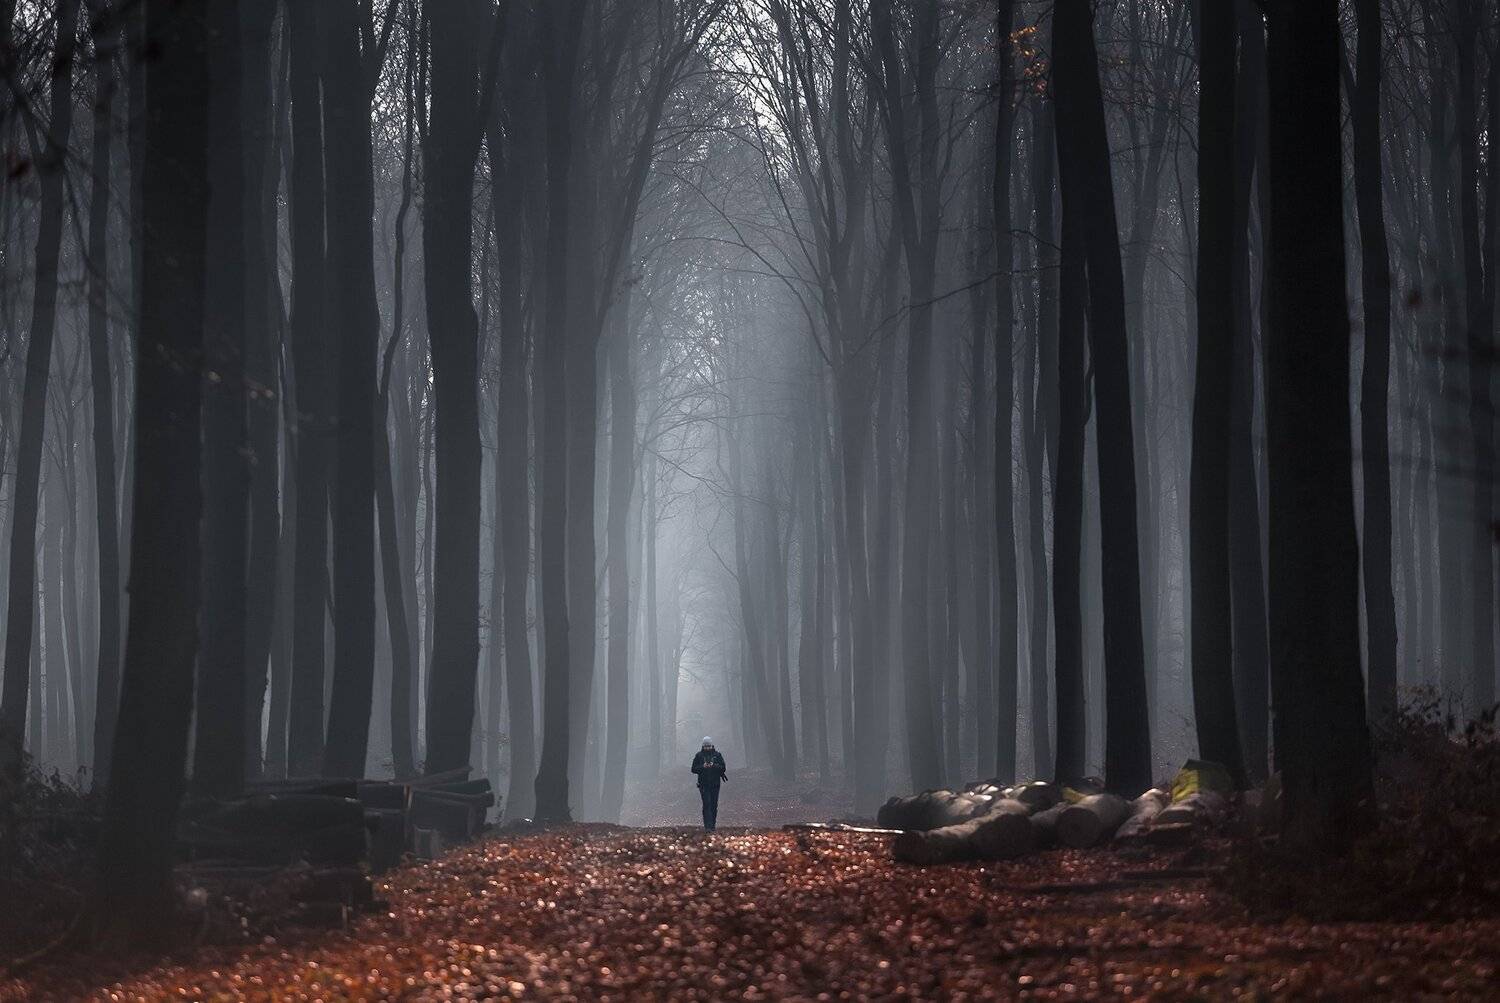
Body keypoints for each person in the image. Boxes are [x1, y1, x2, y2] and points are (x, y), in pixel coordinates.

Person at [690, 737, 728, 831]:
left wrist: (714, 766)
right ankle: (708, 826)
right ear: (703, 746)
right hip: (703, 784)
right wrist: (703, 767)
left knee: (714, 804)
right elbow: (693, 769)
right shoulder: (698, 756)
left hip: (715, 784)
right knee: (707, 804)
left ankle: (712, 825)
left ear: (712, 745)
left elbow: (723, 768)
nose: (707, 748)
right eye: (706, 746)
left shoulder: (717, 755)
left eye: (709, 746)